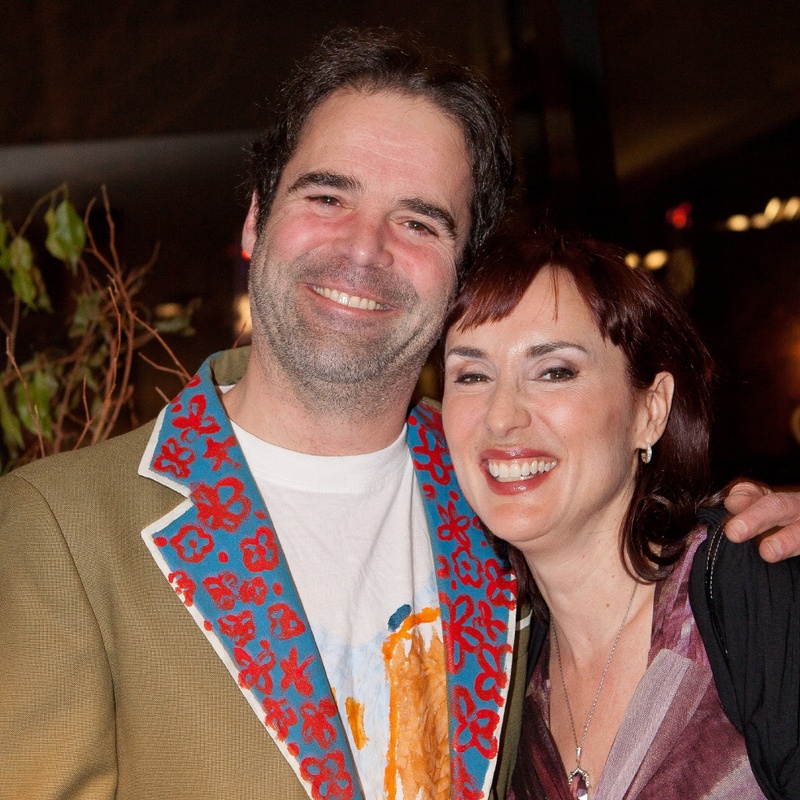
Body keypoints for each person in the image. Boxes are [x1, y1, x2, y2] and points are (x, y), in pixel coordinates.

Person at [0, 26, 797, 800]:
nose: (364, 248)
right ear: (255, 219)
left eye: (418, 220)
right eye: (327, 196)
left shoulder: (506, 501)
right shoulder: (60, 530)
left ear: (461, 276)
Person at [441, 228, 799, 800]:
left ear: (650, 411)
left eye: (555, 371)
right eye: (472, 375)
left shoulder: (745, 589)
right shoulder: (497, 676)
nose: (501, 416)